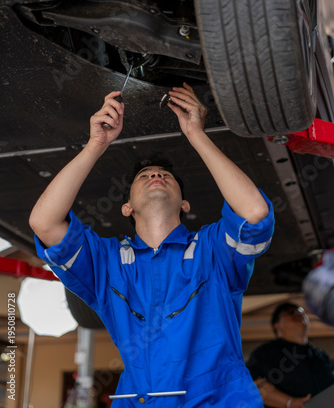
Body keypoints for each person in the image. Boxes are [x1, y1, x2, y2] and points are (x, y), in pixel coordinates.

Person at [30, 83, 274, 407]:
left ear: (184, 204)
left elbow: (254, 213)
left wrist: (196, 135)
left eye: (164, 174)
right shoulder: (107, 263)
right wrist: (95, 144)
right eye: (144, 175)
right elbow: (44, 222)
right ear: (127, 207)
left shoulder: (212, 250)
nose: (155, 175)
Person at [246, 302, 334, 408]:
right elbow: (254, 386)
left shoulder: (321, 356)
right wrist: (290, 403)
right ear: (277, 325)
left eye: (301, 311)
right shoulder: (266, 352)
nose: (297, 313)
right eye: (290, 312)